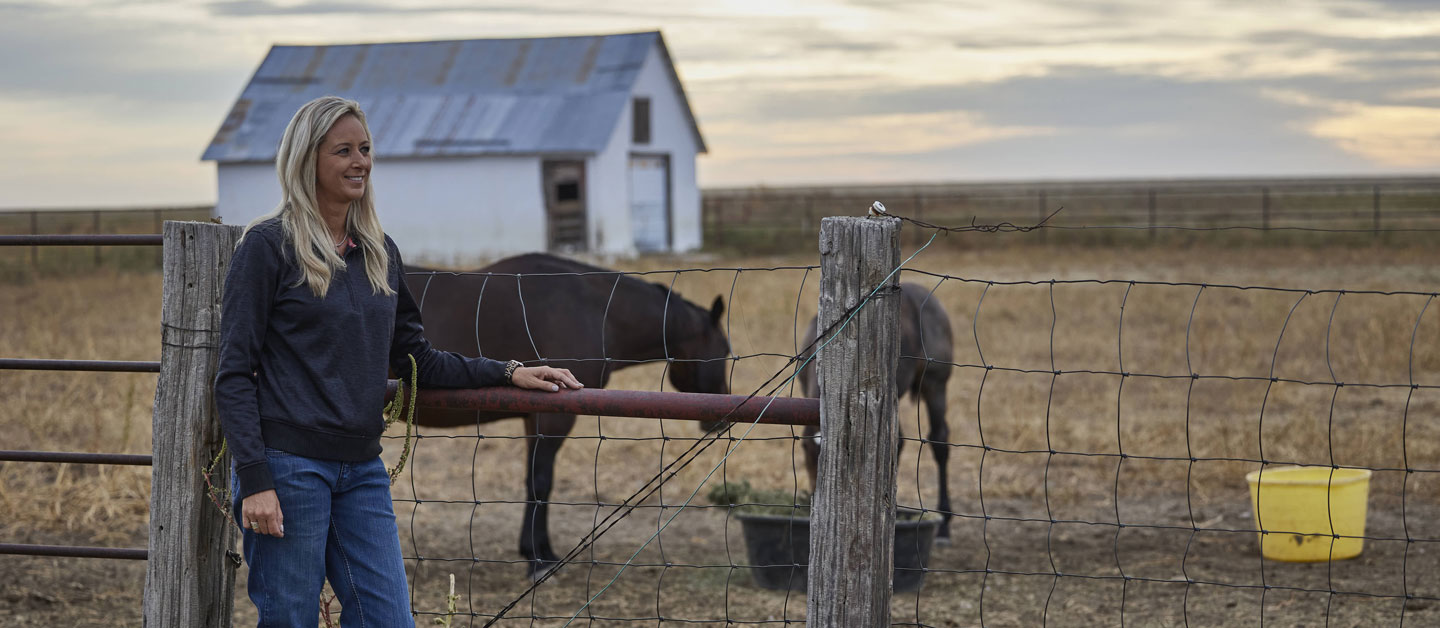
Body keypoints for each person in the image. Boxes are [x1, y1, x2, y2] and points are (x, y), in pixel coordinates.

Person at [214, 95, 582, 627]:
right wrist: (255, 478)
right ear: (306, 159)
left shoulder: (378, 251)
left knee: (388, 619)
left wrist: (507, 372)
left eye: (364, 148)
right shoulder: (268, 247)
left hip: (361, 470)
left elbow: (418, 362)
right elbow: (234, 373)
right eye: (343, 150)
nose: (360, 161)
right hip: (288, 468)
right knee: (290, 618)